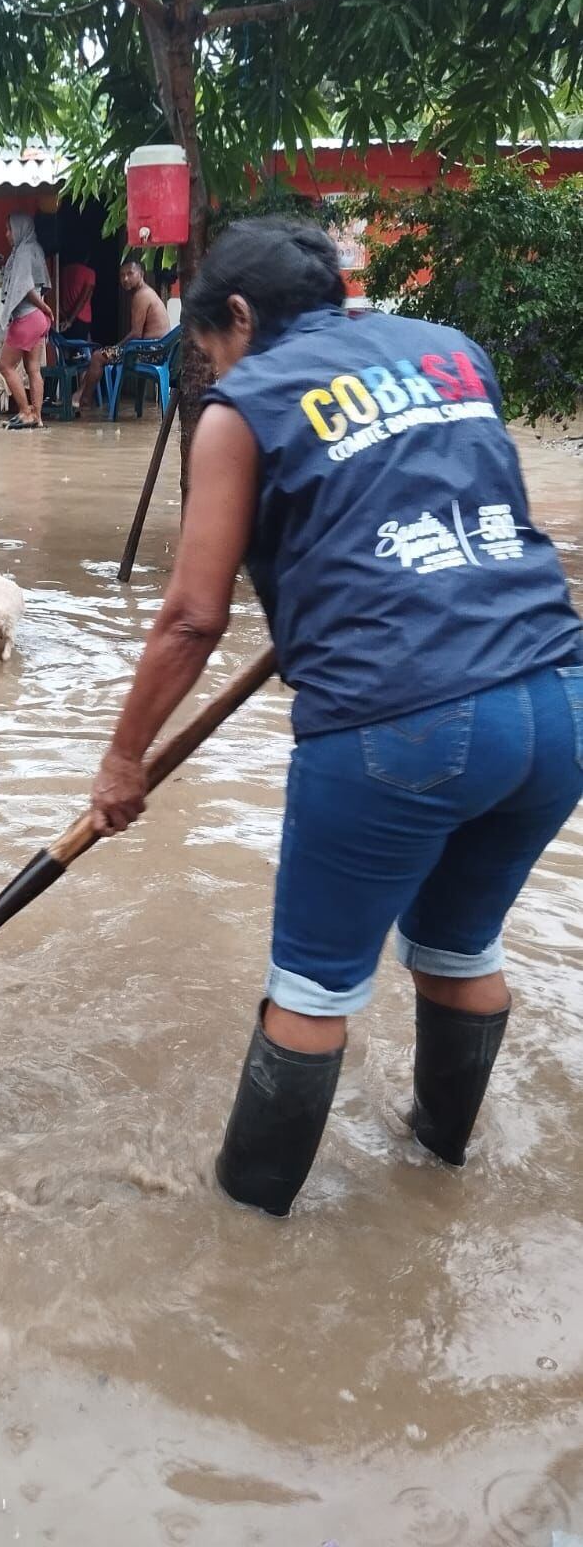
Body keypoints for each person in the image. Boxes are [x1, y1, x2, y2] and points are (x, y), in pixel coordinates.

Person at [90, 218, 583, 1217]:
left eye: (207, 347)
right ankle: (440, 1167)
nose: (210, 367)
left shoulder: (243, 405)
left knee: (312, 990)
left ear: (235, 318)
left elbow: (190, 616)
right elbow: (457, 511)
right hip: (555, 700)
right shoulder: (453, 351)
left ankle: (242, 1242)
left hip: (402, 724)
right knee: (457, 949)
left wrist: (121, 760)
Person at [74, 258, 171, 414]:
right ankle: (80, 396)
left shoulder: (142, 295)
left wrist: (116, 347)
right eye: (122, 275)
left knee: (98, 357)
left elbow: (136, 334)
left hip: (148, 352)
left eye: (130, 274)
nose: (125, 279)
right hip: (155, 350)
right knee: (100, 355)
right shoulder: (145, 292)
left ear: (141, 274)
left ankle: (84, 402)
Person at [0, 212, 53, 431]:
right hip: (39, 320)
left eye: (9, 229)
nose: (7, 234)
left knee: (5, 366)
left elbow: (25, 288)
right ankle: (38, 417)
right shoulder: (35, 248)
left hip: (28, 317)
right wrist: (45, 311)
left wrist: (45, 307)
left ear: (20, 229)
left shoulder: (22, 252)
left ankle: (25, 411)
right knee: (33, 369)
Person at [58, 253, 96, 339]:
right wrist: (70, 321)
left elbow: (58, 294)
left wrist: (63, 315)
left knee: (65, 349)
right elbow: (83, 299)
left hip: (64, 317)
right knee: (81, 349)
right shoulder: (89, 273)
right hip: (81, 319)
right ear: (87, 258)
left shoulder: (64, 270)